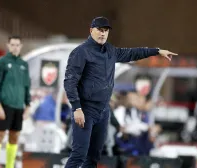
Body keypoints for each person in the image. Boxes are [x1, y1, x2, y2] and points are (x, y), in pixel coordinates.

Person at [64, 16, 177, 168]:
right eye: (100, 30)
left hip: (103, 111)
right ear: (91, 30)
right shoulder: (80, 52)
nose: (103, 33)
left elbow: (132, 53)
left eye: (105, 31)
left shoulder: (110, 51)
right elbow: (69, 81)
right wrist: (76, 107)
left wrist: (156, 51)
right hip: (85, 109)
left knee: (93, 157)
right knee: (79, 155)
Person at [0, 35, 31, 168]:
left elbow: (27, 86)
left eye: (17, 45)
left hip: (18, 106)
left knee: (14, 136)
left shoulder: (24, 64)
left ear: (20, 46)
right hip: (4, 105)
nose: (15, 47)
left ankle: (10, 166)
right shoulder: (2, 62)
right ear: (8, 45)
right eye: (13, 44)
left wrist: (28, 105)